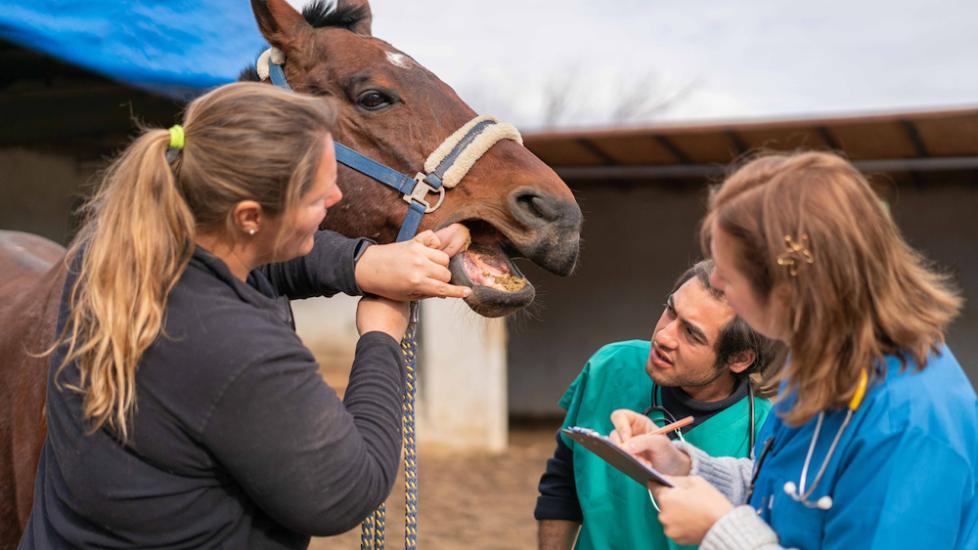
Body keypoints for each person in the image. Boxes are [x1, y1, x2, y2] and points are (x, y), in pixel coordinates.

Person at [19, 82, 473, 549]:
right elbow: (346, 491)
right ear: (250, 217)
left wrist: (363, 263)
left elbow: (269, 258)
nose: (336, 197)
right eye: (317, 197)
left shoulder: (111, 256)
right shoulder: (239, 348)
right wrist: (381, 338)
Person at [613, 151, 978, 550]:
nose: (713, 277)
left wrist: (720, 532)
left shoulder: (911, 425)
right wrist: (685, 464)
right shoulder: (823, 364)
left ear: (791, 293)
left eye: (728, 272)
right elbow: (785, 487)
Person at [535, 260, 782, 550]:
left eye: (691, 333)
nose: (664, 336)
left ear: (739, 359)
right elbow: (563, 484)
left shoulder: (767, 433)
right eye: (670, 310)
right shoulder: (610, 367)